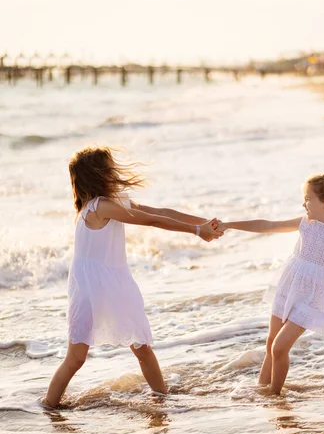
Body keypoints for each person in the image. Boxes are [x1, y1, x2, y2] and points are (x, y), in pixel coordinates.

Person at [43, 146, 223, 408]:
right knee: (80, 356)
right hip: (96, 287)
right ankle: (49, 405)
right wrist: (196, 231)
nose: (115, 170)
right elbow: (152, 221)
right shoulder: (100, 207)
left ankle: (161, 397)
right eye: (110, 166)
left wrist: (206, 223)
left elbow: (162, 212)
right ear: (100, 174)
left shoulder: (109, 203)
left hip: (102, 284)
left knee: (137, 347)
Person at [218, 174, 324, 395]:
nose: (303, 204)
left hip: (313, 297)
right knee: (271, 344)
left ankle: (275, 396)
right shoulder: (305, 223)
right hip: (289, 286)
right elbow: (267, 225)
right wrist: (229, 224)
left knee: (280, 347)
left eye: (308, 199)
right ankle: (261, 389)